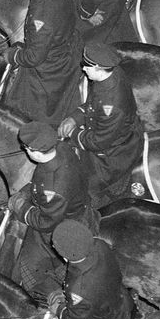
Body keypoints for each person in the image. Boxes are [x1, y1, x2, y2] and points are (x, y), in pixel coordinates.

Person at [8, 121, 95, 298]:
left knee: (29, 270)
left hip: (64, 222)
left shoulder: (54, 187)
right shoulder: (62, 148)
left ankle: (45, 298)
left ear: (35, 152)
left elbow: (46, 222)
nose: (25, 150)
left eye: (27, 148)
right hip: (70, 201)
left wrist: (20, 207)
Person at [59, 43, 143, 205]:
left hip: (113, 153)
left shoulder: (112, 105)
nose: (83, 69)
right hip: (110, 131)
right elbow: (92, 105)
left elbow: (98, 142)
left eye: (87, 67)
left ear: (98, 67)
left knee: (82, 187)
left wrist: (72, 133)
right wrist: (74, 118)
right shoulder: (110, 74)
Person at [5, 0, 82, 123]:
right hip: (70, 42)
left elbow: (34, 58)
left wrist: (12, 55)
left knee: (19, 100)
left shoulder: (40, 19)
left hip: (54, 64)